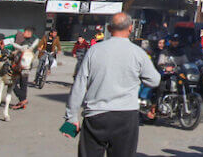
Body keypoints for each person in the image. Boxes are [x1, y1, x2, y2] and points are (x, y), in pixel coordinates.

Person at [65, 13, 161, 157]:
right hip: (126, 117)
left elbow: (79, 85)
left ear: (109, 28)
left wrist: (71, 118)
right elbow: (154, 80)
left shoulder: (94, 50)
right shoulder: (138, 53)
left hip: (95, 116)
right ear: (131, 28)